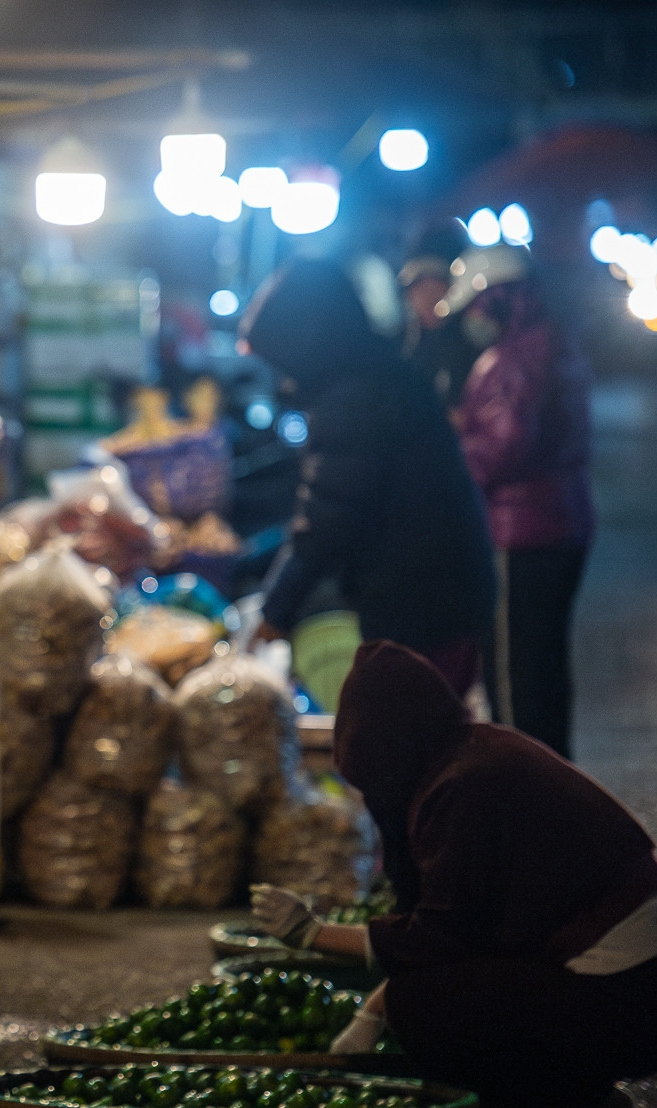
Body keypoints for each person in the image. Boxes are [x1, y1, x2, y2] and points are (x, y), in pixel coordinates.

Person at [253, 642, 657, 1108]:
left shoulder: (464, 785)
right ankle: (576, 1098)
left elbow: (444, 938)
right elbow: (472, 926)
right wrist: (374, 1003)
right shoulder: (473, 753)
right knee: (431, 988)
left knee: (427, 1003)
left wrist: (313, 935)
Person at [237, 259, 497, 695]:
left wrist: (273, 611)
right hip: (433, 590)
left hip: (427, 599)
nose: (282, 379)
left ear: (304, 345)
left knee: (421, 740)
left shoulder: (354, 399)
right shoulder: (373, 375)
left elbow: (326, 518)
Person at [444, 247, 596, 758]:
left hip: (519, 534)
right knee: (547, 671)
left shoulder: (508, 361)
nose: (472, 320)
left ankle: (526, 801)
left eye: (476, 307)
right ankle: (558, 791)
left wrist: (450, 449)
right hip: (565, 525)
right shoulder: (556, 344)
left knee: (514, 684)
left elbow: (501, 447)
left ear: (500, 299)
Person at [398, 221, 478, 416]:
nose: (427, 297)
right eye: (417, 287)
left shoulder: (473, 342)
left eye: (436, 283)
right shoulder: (404, 346)